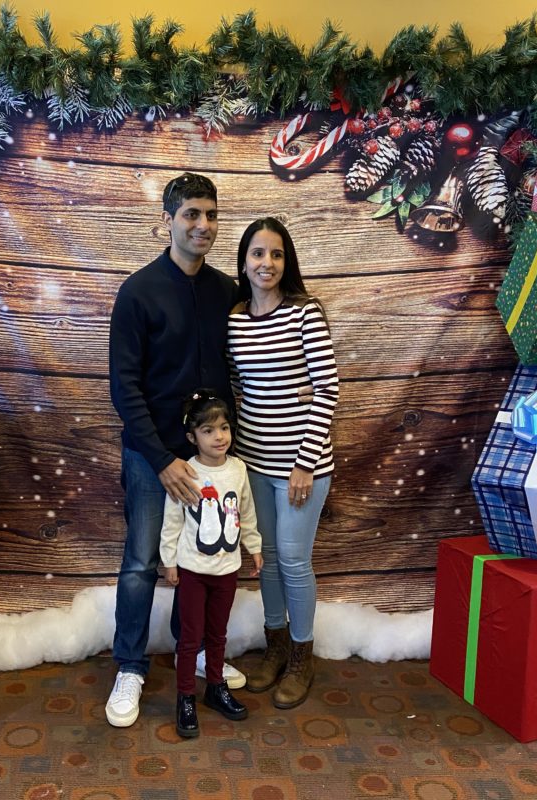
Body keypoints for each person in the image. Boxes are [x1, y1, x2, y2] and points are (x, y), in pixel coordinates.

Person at [106, 173, 244, 728]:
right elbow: (124, 385)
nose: (202, 225)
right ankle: (132, 667)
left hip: (213, 458)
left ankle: (207, 657)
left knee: (210, 563)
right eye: (191, 214)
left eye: (210, 214)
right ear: (166, 220)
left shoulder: (227, 291)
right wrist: (162, 459)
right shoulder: (137, 292)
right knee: (142, 563)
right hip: (151, 456)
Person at [227, 217, 339, 709]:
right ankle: (274, 646)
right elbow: (236, 388)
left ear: (286, 261)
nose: (266, 263)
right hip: (252, 461)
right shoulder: (233, 319)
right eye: (257, 253)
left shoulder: (305, 314)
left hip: (301, 466)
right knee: (265, 560)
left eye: (275, 254)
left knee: (294, 561)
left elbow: (327, 390)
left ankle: (301, 655)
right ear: (244, 261)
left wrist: (304, 463)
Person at [160, 390, 263, 737]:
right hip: (192, 571)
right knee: (191, 639)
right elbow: (173, 520)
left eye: (224, 428)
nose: (219, 436)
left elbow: (245, 511)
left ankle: (215, 688)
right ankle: (185, 696)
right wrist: (169, 561)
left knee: (218, 634)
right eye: (208, 430)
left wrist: (254, 545)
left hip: (227, 570)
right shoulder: (186, 472)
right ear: (192, 436)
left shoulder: (238, 469)